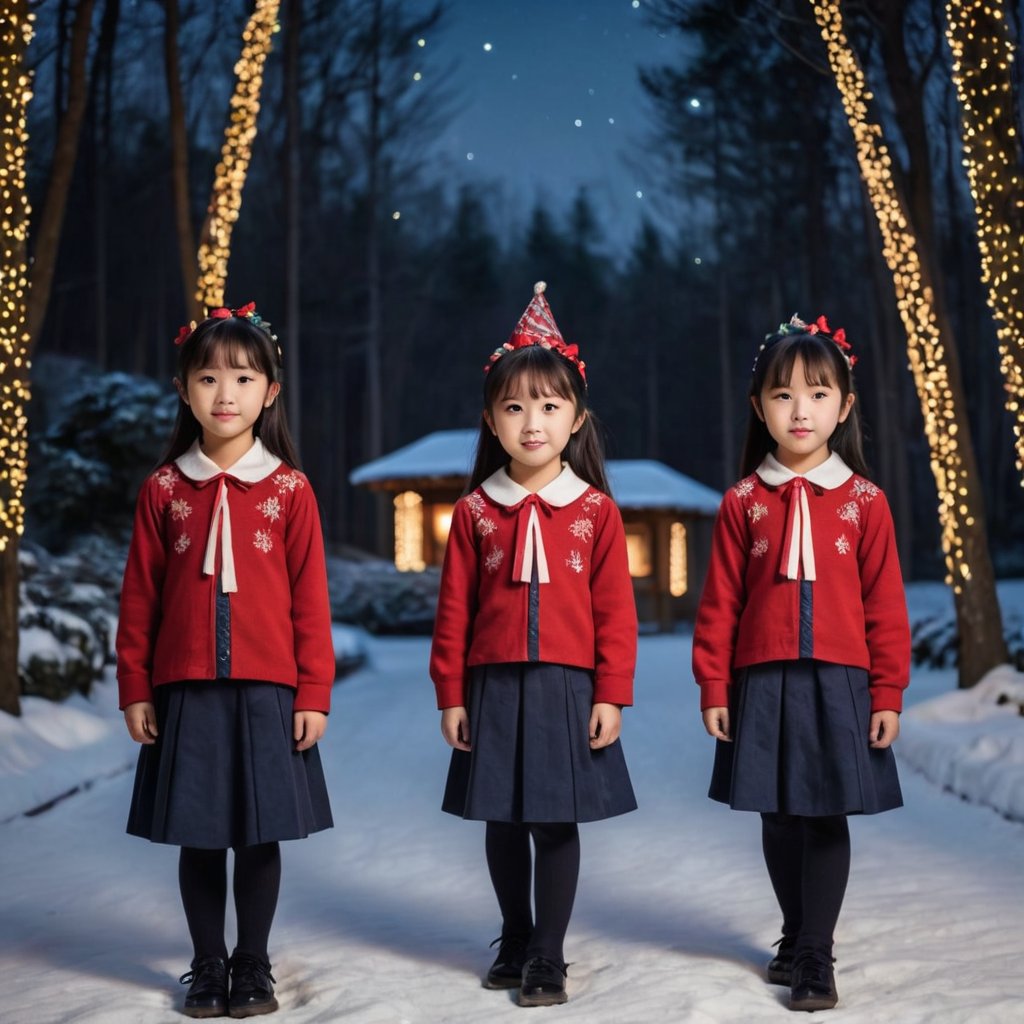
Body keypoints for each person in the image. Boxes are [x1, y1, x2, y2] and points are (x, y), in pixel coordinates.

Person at [116, 303, 335, 1019]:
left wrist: (313, 694)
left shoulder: (290, 491)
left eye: (243, 378)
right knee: (202, 833)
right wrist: (135, 687)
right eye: (207, 378)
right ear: (184, 389)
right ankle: (207, 965)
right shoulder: (164, 491)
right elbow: (140, 597)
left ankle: (253, 964)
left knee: (259, 831)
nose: (225, 394)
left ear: (271, 391)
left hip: (269, 690)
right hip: (186, 691)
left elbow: (311, 600)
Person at [693, 315, 910, 1013]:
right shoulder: (742, 504)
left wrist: (887, 692)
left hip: (840, 679)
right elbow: (720, 602)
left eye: (817, 394)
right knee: (779, 814)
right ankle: (794, 932)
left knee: (824, 815)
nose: (800, 410)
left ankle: (817, 951)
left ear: (844, 406)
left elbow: (886, 605)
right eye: (782, 395)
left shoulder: (866, 504)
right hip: (763, 677)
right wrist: (713, 684)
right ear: (759, 407)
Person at [430, 282, 638, 1007]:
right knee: (503, 818)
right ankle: (515, 934)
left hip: (566, 687)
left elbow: (616, 614)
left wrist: (611, 692)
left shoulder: (595, 513)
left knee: (553, 821)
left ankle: (549, 954)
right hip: (492, 687)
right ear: (491, 418)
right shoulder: (476, 512)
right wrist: (450, 694)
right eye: (514, 407)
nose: (532, 422)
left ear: (576, 417)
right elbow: (453, 611)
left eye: (549, 406)